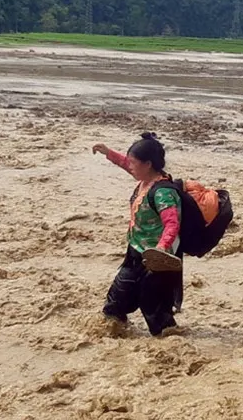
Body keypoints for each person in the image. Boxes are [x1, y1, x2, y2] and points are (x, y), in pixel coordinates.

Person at [92, 132, 183, 336]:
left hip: (157, 260)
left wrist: (161, 248)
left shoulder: (162, 193)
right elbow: (125, 163)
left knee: (156, 311)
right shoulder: (144, 180)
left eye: (134, 163)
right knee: (115, 302)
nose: (129, 166)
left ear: (148, 164)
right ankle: (115, 335)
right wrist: (107, 152)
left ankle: (171, 343)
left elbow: (172, 224)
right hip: (136, 253)